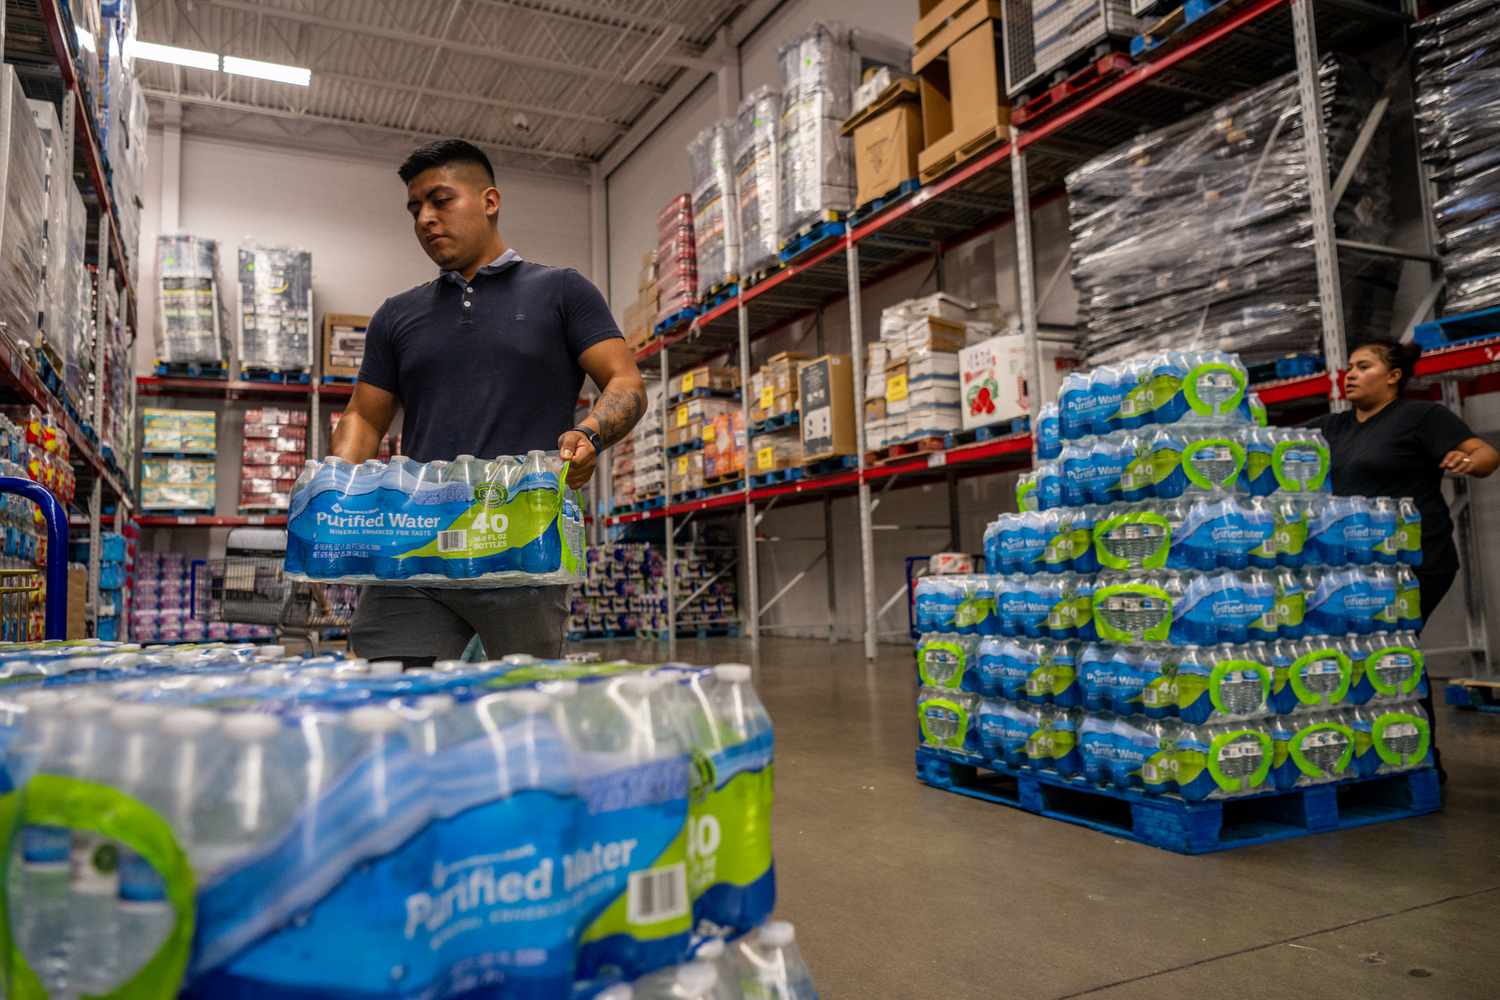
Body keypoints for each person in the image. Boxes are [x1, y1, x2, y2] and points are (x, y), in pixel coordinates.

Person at [331, 139, 646, 666]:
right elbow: (364, 414)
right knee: (386, 695)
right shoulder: (397, 316)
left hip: (523, 545)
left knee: (518, 711)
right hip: (416, 548)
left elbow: (625, 383)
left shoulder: (562, 292)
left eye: (440, 200)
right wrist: (336, 486)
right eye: (415, 209)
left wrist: (589, 435)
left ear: (490, 201)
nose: (425, 219)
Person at [1318, 338, 1498, 778]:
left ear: (1394, 376)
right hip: (1358, 566)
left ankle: (1419, 763)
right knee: (1362, 658)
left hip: (1417, 560)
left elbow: (1486, 454)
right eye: (1349, 368)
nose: (1351, 374)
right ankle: (1372, 756)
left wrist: (1468, 462)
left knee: (1394, 652)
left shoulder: (1421, 417)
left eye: (1363, 366)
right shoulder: (1335, 427)